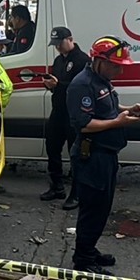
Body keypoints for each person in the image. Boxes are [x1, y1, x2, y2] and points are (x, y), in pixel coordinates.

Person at [66, 36, 140, 275]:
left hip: (106, 155)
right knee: (92, 209)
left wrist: (129, 110)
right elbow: (83, 124)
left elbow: (108, 108)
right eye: (115, 66)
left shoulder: (101, 80)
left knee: (102, 208)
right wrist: (117, 122)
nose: (120, 71)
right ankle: (83, 260)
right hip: (92, 156)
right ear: (99, 61)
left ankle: (88, 248)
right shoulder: (82, 85)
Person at [40, 26, 90, 208]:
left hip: (73, 114)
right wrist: (50, 85)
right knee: (52, 148)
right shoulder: (58, 60)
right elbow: (58, 83)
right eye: (55, 45)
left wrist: (59, 84)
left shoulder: (82, 60)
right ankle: (56, 186)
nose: (58, 48)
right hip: (58, 111)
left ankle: (76, 194)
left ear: (70, 39)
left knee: (75, 154)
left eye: (60, 43)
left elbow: (81, 87)